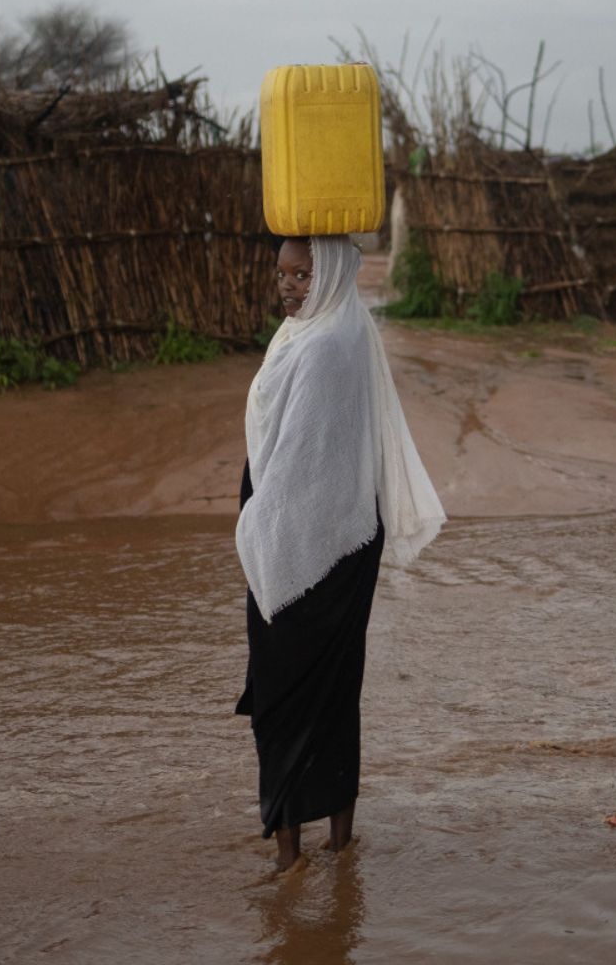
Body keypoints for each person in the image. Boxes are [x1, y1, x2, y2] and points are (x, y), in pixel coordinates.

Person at [235, 235, 445, 874]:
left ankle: (289, 863)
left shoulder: (324, 345)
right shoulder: (339, 328)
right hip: (347, 540)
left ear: (330, 274)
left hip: (309, 553)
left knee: (286, 700)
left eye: (302, 274)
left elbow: (296, 466)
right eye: (282, 273)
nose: (289, 286)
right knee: (334, 695)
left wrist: (261, 536)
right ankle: (340, 844)